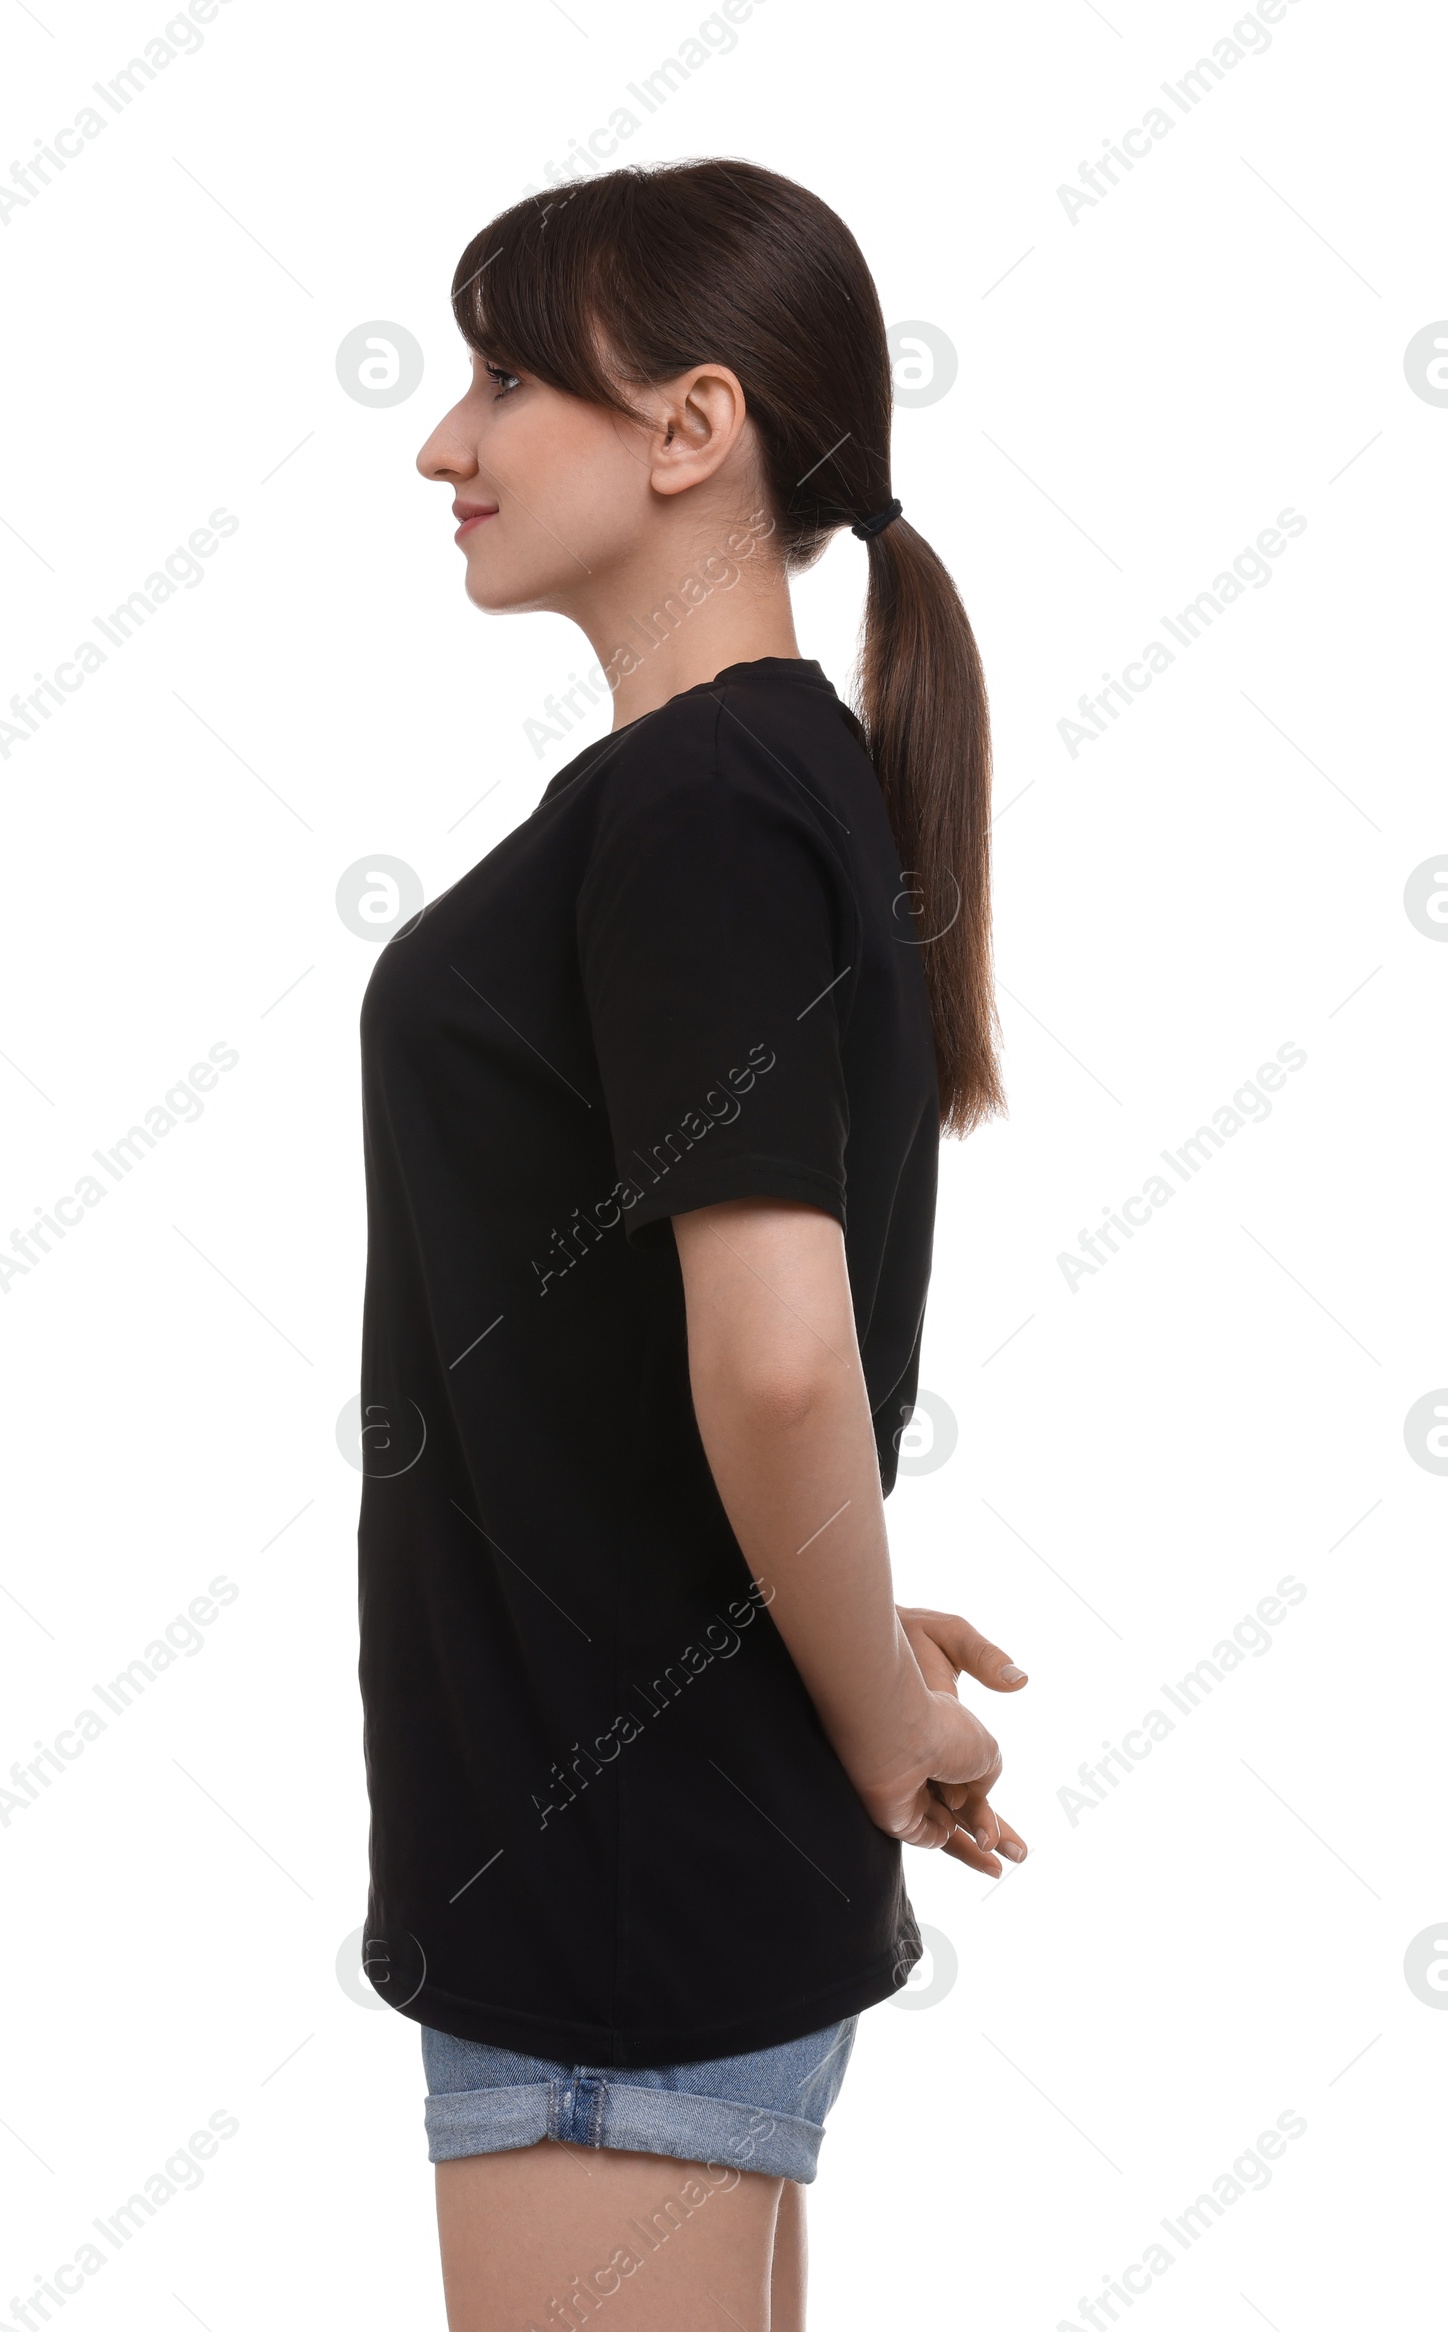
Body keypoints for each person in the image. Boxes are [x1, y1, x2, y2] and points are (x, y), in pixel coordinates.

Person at [357, 158, 1029, 2332]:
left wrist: (873, 1709)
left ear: (685, 428)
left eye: (501, 378)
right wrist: (818, 1601)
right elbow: (695, 1365)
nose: (446, 442)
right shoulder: (751, 786)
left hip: (613, 1889)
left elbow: (771, 1360)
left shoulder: (698, 810)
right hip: (629, 1847)